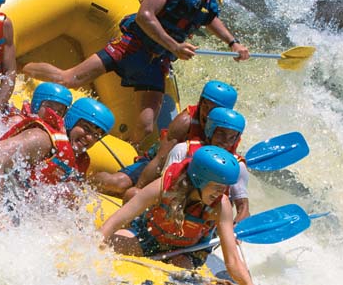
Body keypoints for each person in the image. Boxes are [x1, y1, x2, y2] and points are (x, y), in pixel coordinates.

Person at [23, 0, 249, 144]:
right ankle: (21, 66)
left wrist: (233, 43)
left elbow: (209, 18)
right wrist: (175, 46)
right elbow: (144, 16)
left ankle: (122, 159)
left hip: (156, 60)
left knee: (146, 127)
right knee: (68, 79)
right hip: (131, 47)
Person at [99, 145, 261, 285]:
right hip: (148, 238)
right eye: (217, 187)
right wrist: (96, 246)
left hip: (186, 252)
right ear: (200, 180)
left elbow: (232, 258)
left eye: (224, 188)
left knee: (179, 269)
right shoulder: (165, 186)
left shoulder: (221, 205)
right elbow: (117, 220)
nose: (221, 193)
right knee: (116, 243)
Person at [92, 79, 237, 198]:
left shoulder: (231, 132)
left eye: (213, 109)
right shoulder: (185, 122)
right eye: (204, 105)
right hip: (160, 161)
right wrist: (138, 191)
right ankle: (86, 181)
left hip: (189, 173)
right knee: (119, 184)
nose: (205, 112)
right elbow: (160, 159)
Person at [0, 96, 114, 186]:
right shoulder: (41, 139)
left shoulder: (79, 162)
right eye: (86, 128)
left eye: (96, 135)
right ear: (72, 121)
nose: (89, 138)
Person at [164, 107, 250, 223]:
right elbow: (164, 185)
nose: (225, 141)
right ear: (210, 130)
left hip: (207, 222)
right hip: (173, 212)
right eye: (221, 134)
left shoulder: (238, 166)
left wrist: (236, 224)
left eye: (232, 137)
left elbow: (243, 207)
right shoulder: (183, 150)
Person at [4, 81, 73, 129]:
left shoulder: (59, 131)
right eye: (49, 107)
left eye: (59, 112)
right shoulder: (17, 121)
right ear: (37, 105)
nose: (53, 114)